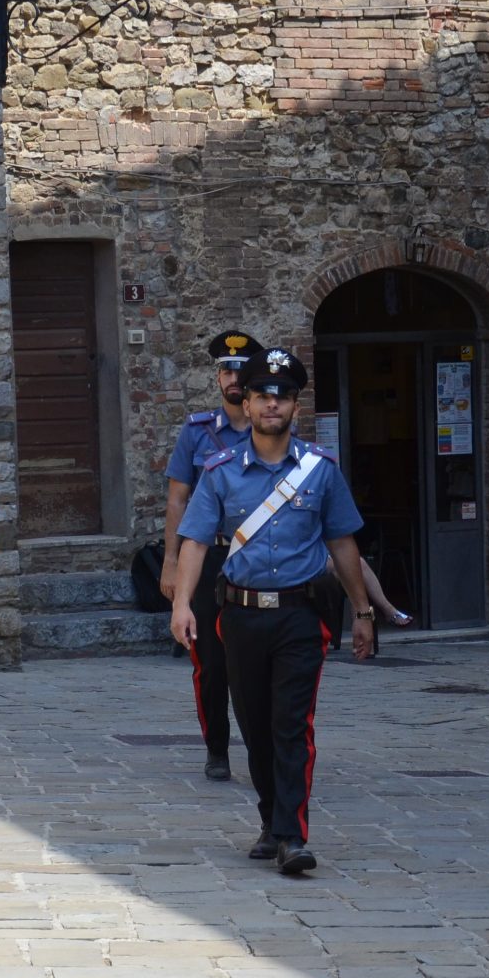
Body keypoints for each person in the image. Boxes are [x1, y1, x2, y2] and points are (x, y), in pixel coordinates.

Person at [169, 347, 376, 875]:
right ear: (249, 401)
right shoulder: (219, 473)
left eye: (282, 396)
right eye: (263, 395)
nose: (271, 405)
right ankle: (270, 820)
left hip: (299, 616)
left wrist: (362, 611)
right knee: (255, 725)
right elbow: (193, 542)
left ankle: (291, 835)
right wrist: (181, 606)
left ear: (294, 407)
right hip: (238, 616)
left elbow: (342, 544)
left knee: (291, 723)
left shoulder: (320, 472)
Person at [162, 331, 264, 780]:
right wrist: (170, 560)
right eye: (227, 371)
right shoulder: (197, 432)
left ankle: (263, 745)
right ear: (218, 378)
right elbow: (177, 500)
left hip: (259, 560)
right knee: (210, 663)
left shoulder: (274, 431)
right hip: (209, 559)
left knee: (258, 659)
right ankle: (218, 749)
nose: (234, 378)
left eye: (242, 371)